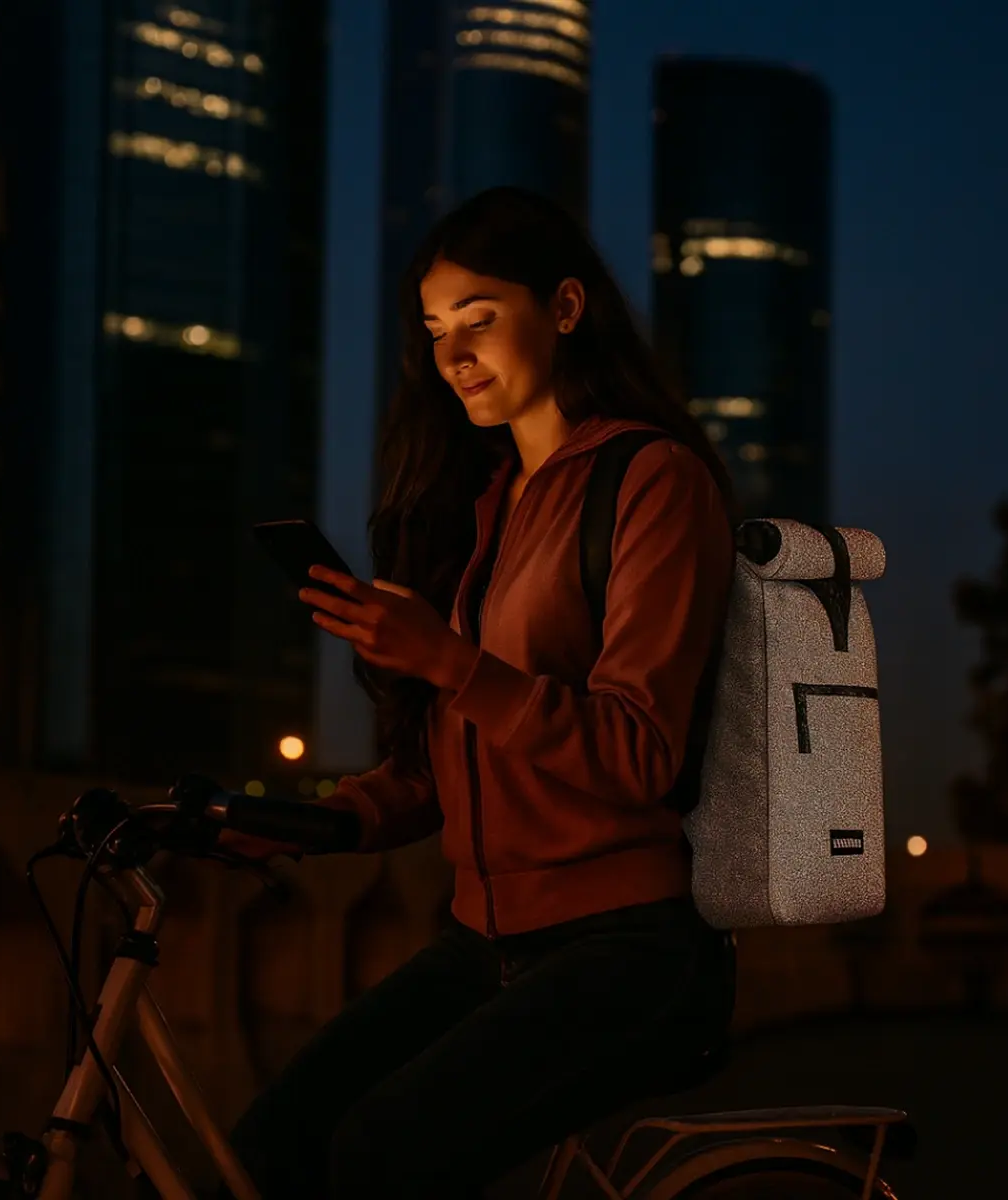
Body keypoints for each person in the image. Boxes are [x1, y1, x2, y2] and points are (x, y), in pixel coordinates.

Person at [220, 186, 739, 1199]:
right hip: (486, 941)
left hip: (628, 946)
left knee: (379, 1153)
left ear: (567, 309)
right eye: (434, 328)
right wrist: (311, 822)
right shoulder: (493, 504)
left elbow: (639, 753)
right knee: (269, 1146)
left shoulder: (652, 480)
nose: (452, 352)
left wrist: (448, 659)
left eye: (481, 318)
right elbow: (450, 760)